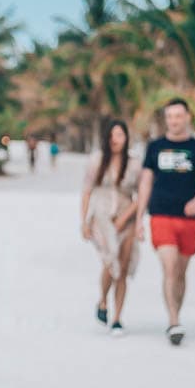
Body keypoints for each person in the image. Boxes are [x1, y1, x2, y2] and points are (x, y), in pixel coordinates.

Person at [134, 99, 195, 346]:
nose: (174, 121)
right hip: (160, 215)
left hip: (189, 219)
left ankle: (175, 316)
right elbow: (145, 182)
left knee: (180, 272)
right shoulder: (155, 147)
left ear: (187, 117)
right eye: (169, 116)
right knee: (169, 268)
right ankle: (174, 321)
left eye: (178, 116)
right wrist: (139, 218)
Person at [80, 120, 141, 336]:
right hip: (102, 219)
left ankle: (117, 318)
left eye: (120, 135)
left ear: (126, 138)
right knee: (109, 261)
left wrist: (127, 218)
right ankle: (103, 300)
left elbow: (142, 195)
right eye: (112, 135)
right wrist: (84, 221)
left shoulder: (134, 164)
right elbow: (86, 191)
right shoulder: (97, 161)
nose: (116, 140)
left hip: (126, 218)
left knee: (122, 268)